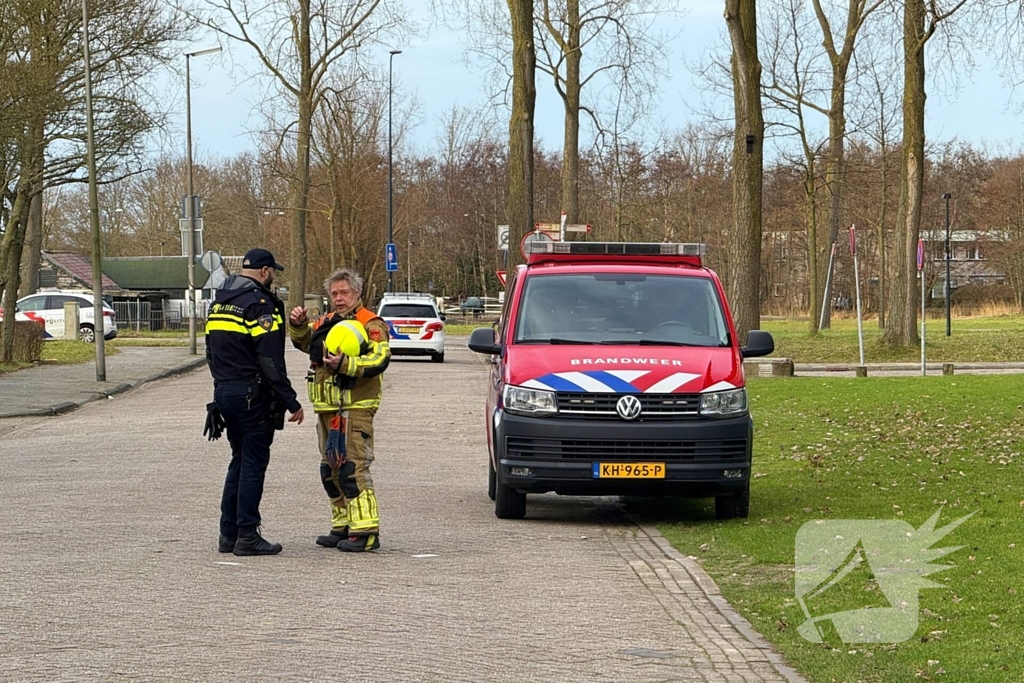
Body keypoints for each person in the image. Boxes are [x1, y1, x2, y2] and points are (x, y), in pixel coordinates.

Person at [205, 248, 304, 556]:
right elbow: (270, 359)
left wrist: (219, 393)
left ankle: (228, 533)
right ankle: (248, 534)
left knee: (239, 459)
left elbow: (211, 353)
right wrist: (291, 401)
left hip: (224, 393)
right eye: (272, 271)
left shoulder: (219, 304)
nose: (273, 277)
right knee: (253, 464)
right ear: (264, 271)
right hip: (252, 396)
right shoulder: (260, 305)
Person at [289, 268, 390, 552]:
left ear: (357, 293)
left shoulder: (370, 323)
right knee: (329, 471)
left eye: (344, 292)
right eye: (334, 293)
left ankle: (366, 531)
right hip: (327, 409)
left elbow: (380, 357)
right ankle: (342, 525)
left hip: (355, 407)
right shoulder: (328, 321)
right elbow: (305, 341)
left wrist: (345, 365)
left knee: (352, 469)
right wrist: (297, 325)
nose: (339, 298)